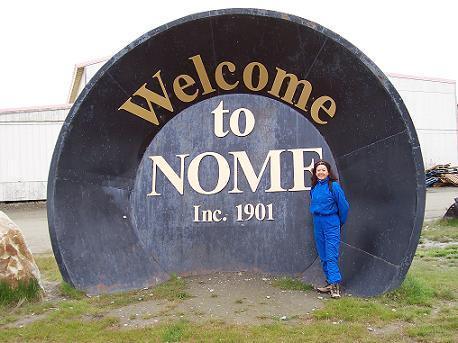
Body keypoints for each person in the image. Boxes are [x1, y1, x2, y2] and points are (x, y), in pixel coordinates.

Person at [309, 160, 349, 298]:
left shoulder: (334, 186)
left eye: (323, 170)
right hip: (317, 222)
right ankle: (329, 283)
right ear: (315, 172)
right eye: (318, 170)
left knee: (331, 254)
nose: (320, 172)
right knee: (323, 254)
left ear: (328, 172)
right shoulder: (314, 188)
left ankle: (335, 285)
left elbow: (344, 207)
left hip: (331, 221)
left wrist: (338, 222)